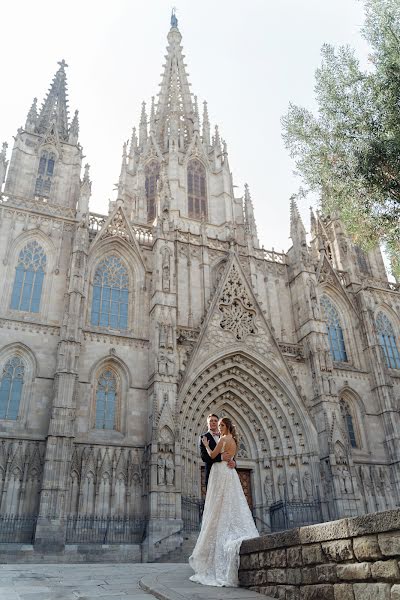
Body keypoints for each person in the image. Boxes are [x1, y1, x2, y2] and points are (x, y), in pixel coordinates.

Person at [189, 417, 259, 587]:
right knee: (222, 507)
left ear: (224, 426)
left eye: (218, 423)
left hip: (224, 473)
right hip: (220, 475)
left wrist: (232, 461)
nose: (216, 425)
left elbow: (216, 454)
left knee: (224, 505)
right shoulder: (212, 438)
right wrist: (225, 457)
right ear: (208, 424)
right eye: (213, 422)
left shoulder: (222, 438)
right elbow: (207, 458)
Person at [200, 413, 235, 489]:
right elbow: (204, 457)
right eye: (211, 421)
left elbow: (229, 452)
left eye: (215, 421)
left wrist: (233, 462)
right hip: (212, 474)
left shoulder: (224, 436)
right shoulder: (204, 437)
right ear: (207, 424)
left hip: (226, 472)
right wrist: (221, 457)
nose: (213, 422)